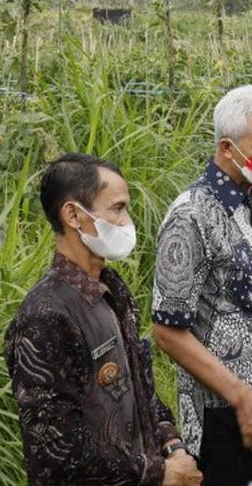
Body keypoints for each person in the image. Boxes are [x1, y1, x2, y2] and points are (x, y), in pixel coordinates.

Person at [3, 153, 203, 486]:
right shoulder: (45, 317)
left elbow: (141, 389)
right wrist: (159, 474)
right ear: (73, 215)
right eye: (117, 208)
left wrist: (173, 445)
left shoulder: (113, 291)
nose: (127, 220)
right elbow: (58, 450)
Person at [152, 84, 252, 485]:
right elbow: (167, 330)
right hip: (223, 416)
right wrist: (243, 398)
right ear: (228, 148)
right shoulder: (190, 217)